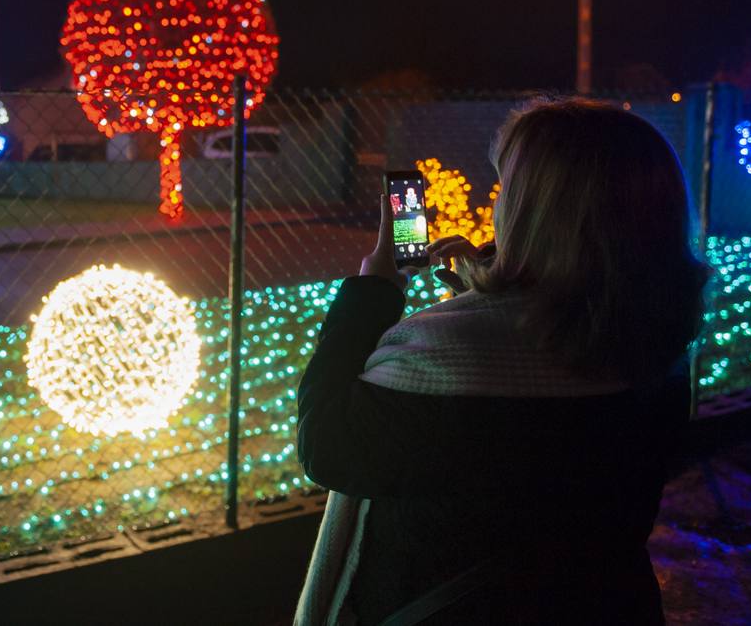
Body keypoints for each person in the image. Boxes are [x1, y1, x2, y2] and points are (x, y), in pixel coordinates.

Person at [294, 98, 709, 625]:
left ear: (533, 213)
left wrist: (374, 290)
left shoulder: (445, 358)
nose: (497, 206)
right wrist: (497, 279)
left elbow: (325, 443)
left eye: (507, 189)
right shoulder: (661, 349)